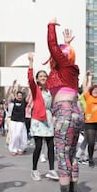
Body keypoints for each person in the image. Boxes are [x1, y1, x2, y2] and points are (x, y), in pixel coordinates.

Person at [46, 21, 84, 192]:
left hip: (64, 113)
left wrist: (51, 25)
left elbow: (53, 47)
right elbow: (62, 53)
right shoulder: (70, 70)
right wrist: (68, 44)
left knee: (61, 154)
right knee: (71, 154)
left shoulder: (65, 68)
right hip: (75, 113)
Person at [28, 53, 58, 181]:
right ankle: (34, 170)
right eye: (40, 76)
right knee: (39, 146)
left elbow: (54, 74)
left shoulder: (50, 90)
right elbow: (30, 79)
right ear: (37, 78)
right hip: (37, 119)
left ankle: (51, 170)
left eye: (45, 76)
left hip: (48, 119)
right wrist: (30, 63)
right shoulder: (36, 90)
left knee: (51, 145)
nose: (43, 78)